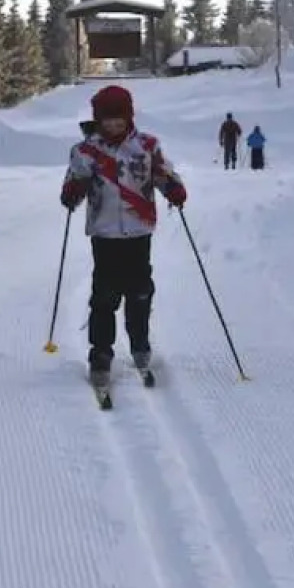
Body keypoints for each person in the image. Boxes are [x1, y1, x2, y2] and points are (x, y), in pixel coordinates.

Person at [60, 85, 187, 384]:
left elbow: (163, 173)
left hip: (138, 230)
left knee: (140, 290)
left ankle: (140, 343)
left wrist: (173, 189)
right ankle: (101, 353)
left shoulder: (146, 146)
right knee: (105, 294)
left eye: (119, 120)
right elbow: (72, 183)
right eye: (108, 121)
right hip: (104, 233)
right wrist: (72, 192)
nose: (114, 126)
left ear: (129, 118)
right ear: (98, 120)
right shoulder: (86, 151)